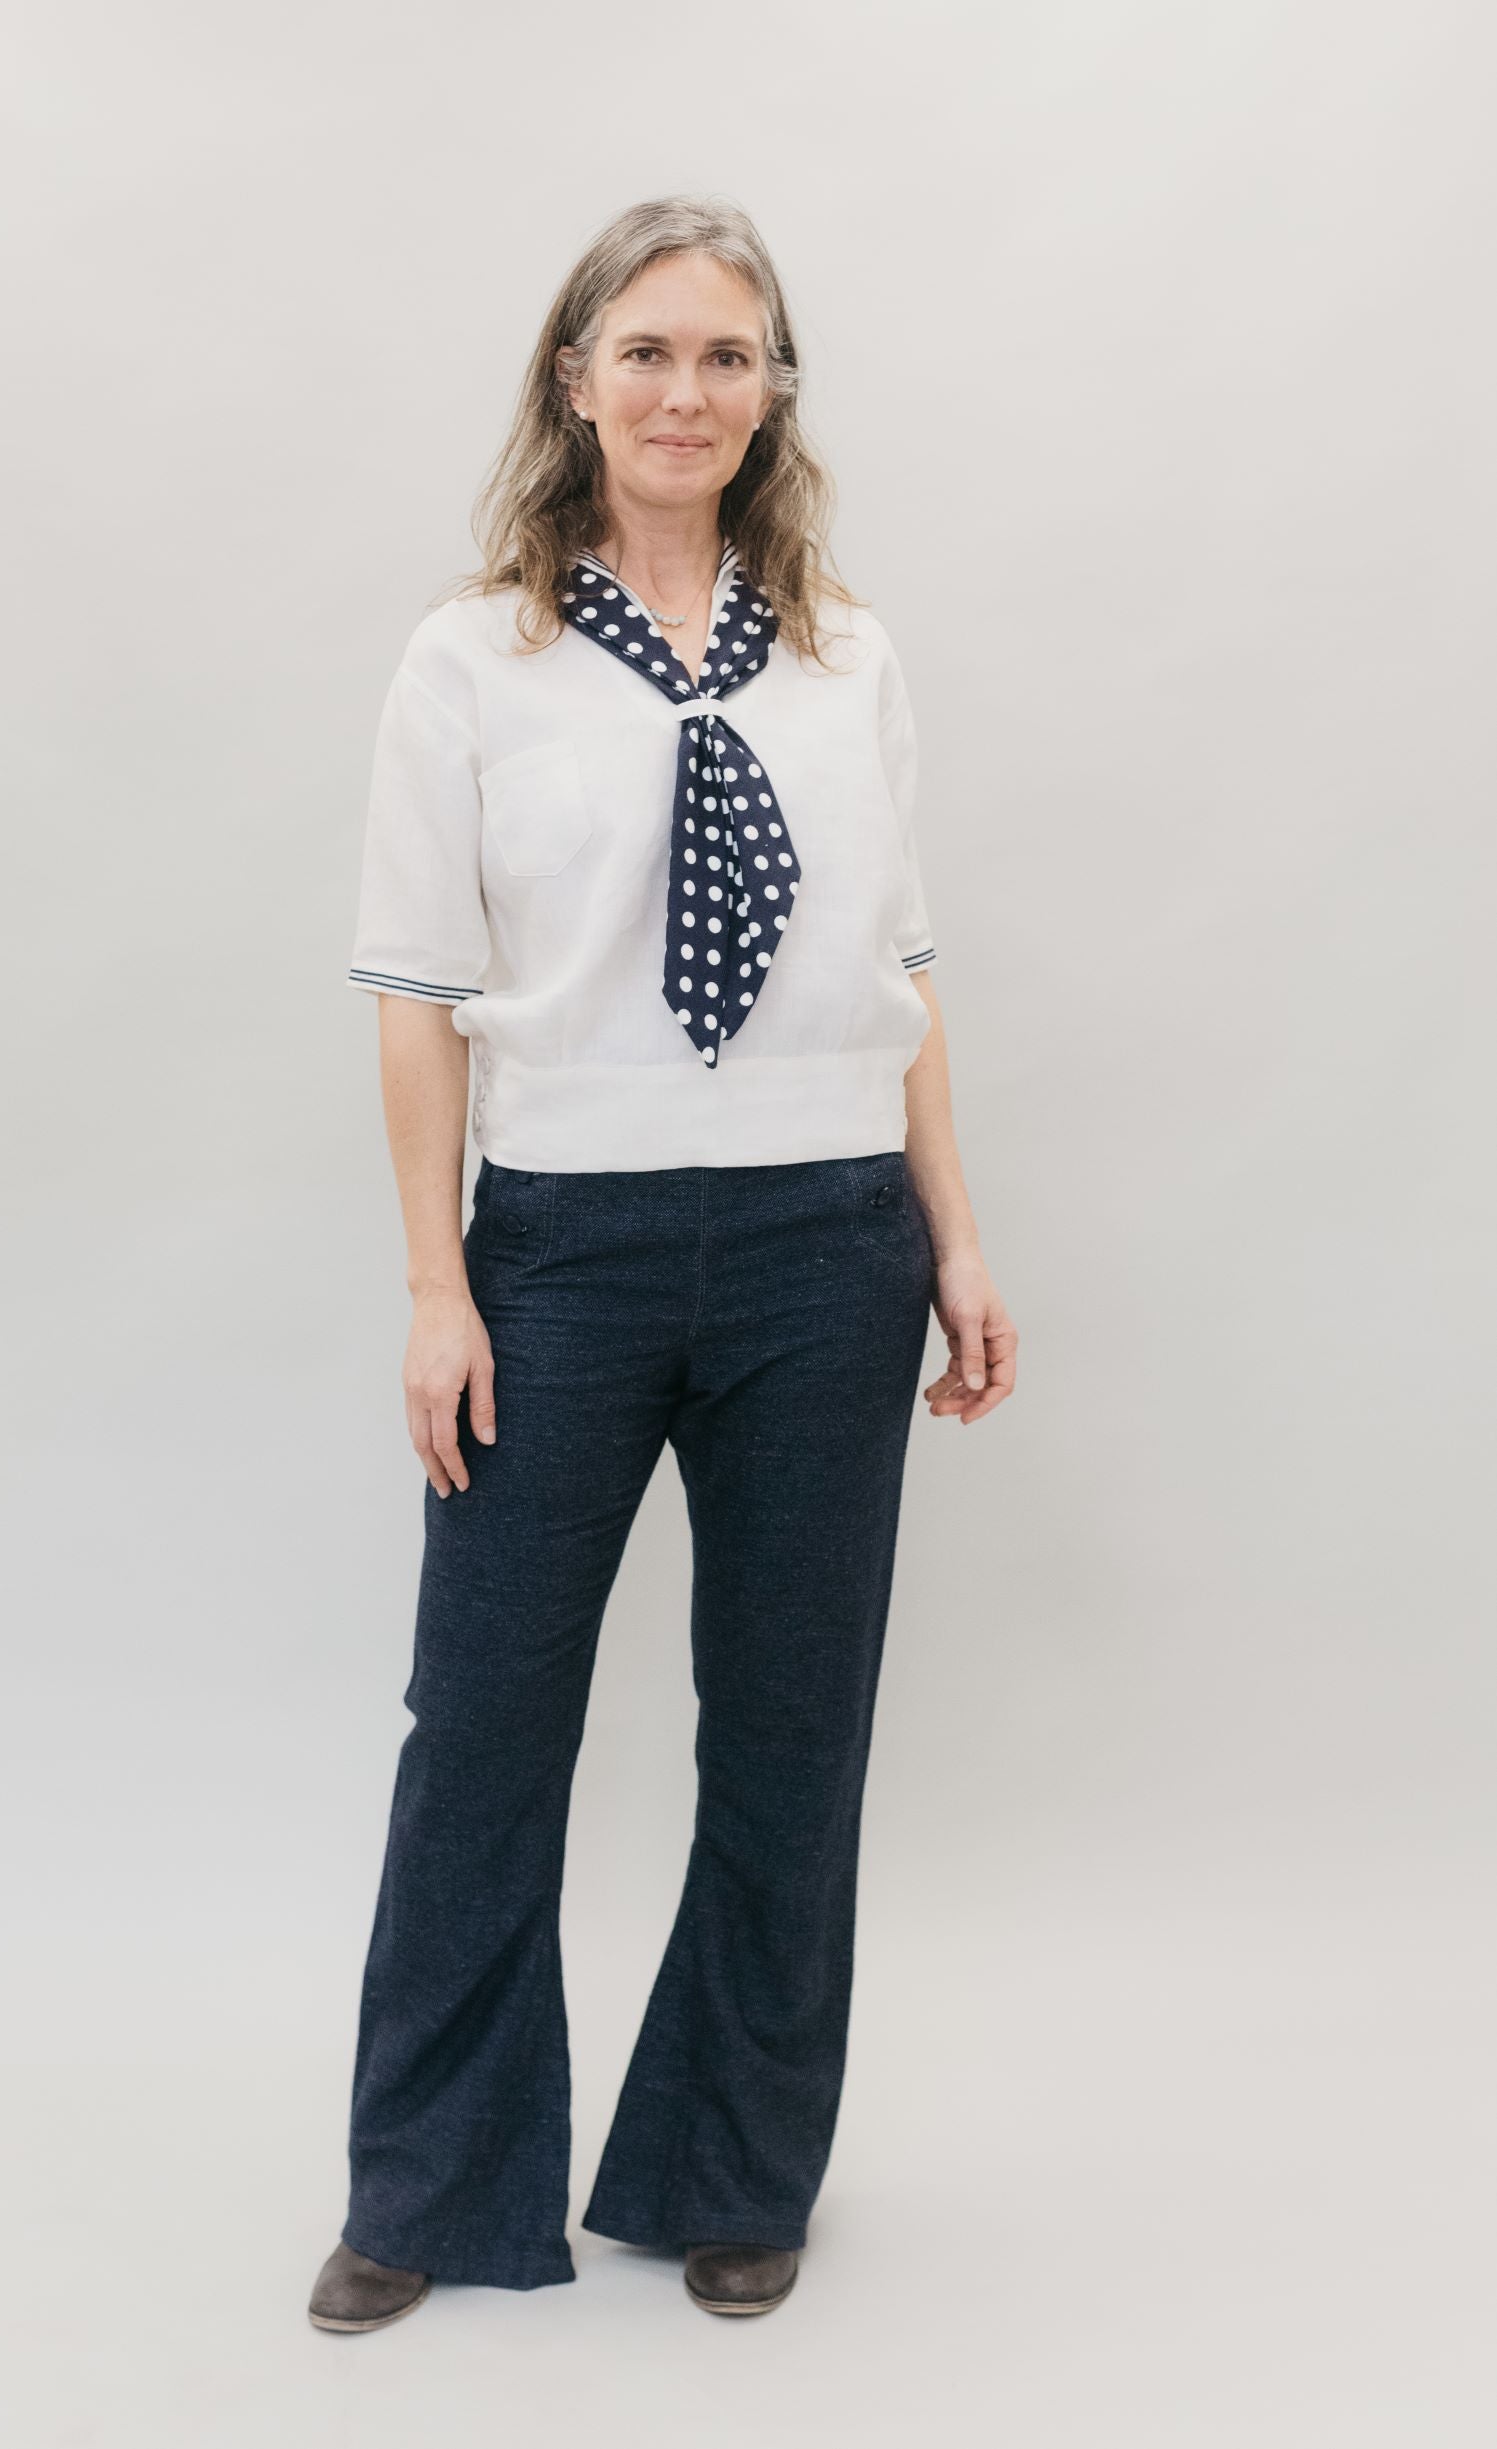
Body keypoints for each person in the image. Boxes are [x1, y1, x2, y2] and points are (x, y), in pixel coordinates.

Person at [308, 193, 1017, 2333]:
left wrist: (956, 1238)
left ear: (773, 391)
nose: (685, 391)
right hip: (570, 1249)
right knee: (485, 1722)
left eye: (727, 355)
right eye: (647, 351)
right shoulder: (473, 657)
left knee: (792, 1732)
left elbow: (899, 965)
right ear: (573, 378)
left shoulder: (846, 655)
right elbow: (417, 992)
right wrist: (440, 1285)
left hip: (827, 1237)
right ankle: (427, 2187)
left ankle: (735, 2161)